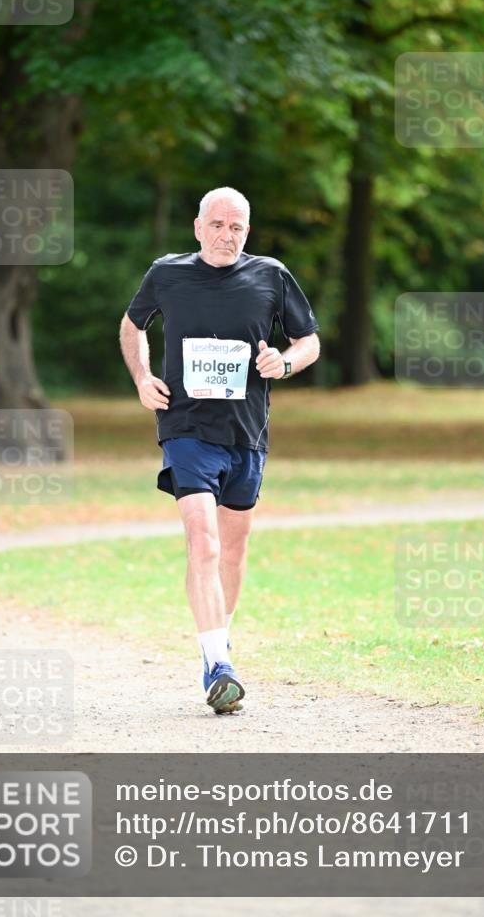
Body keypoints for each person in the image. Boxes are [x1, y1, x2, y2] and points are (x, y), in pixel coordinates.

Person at [120, 186, 320, 714]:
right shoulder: (167, 272)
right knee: (203, 541)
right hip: (184, 426)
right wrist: (142, 377)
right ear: (198, 226)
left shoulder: (271, 276)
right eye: (217, 225)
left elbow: (309, 341)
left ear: (247, 232)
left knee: (232, 549)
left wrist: (286, 361)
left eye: (236, 227)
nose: (226, 235)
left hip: (247, 432)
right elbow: (132, 325)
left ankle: (217, 642)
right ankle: (218, 663)